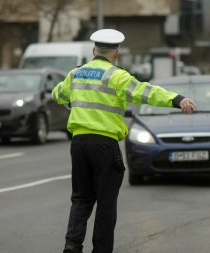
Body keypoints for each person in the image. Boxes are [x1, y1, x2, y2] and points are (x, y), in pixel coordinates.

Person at [52, 29, 196, 253]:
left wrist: (75, 103)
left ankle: (72, 245)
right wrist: (177, 99)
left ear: (94, 51)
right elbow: (145, 92)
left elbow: (58, 95)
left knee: (80, 199)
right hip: (104, 144)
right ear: (116, 53)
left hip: (78, 144)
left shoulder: (76, 73)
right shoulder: (117, 76)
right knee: (106, 204)